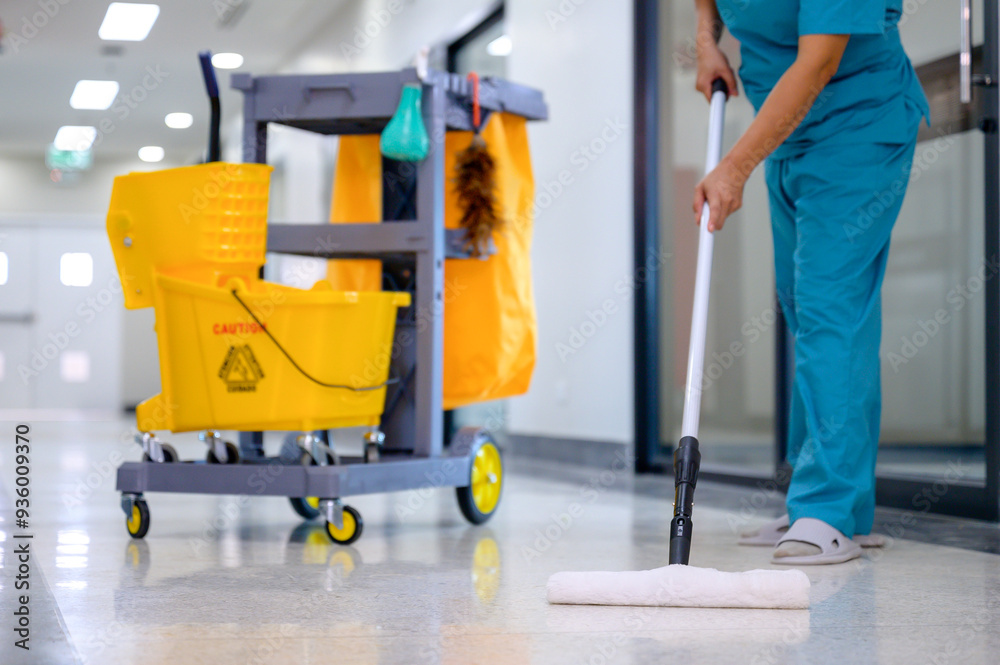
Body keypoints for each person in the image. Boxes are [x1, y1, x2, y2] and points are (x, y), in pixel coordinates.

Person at [692, 0, 929, 564]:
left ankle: (827, 510)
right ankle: (824, 505)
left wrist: (734, 166)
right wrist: (706, 43)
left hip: (858, 125)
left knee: (830, 309)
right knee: (803, 310)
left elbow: (819, 62)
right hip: (790, 132)